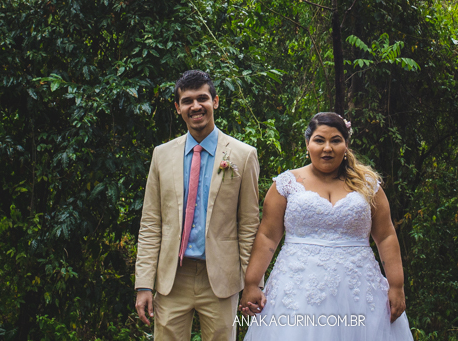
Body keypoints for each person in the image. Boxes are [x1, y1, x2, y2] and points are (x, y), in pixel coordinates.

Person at [238, 112, 414, 341]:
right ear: (308, 143)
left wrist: (396, 285)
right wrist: (252, 283)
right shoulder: (286, 184)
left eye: (336, 140)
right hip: (297, 291)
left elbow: (386, 236)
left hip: (359, 291)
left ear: (346, 145)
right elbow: (267, 237)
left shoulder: (368, 185)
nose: (327, 148)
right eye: (320, 140)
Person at [134, 70, 260, 341]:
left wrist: (253, 284)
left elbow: (249, 224)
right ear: (178, 107)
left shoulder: (243, 155)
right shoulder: (162, 155)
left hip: (221, 279)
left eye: (202, 98)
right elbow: (150, 223)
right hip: (172, 278)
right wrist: (143, 284)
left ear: (215, 101)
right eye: (187, 101)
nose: (195, 106)